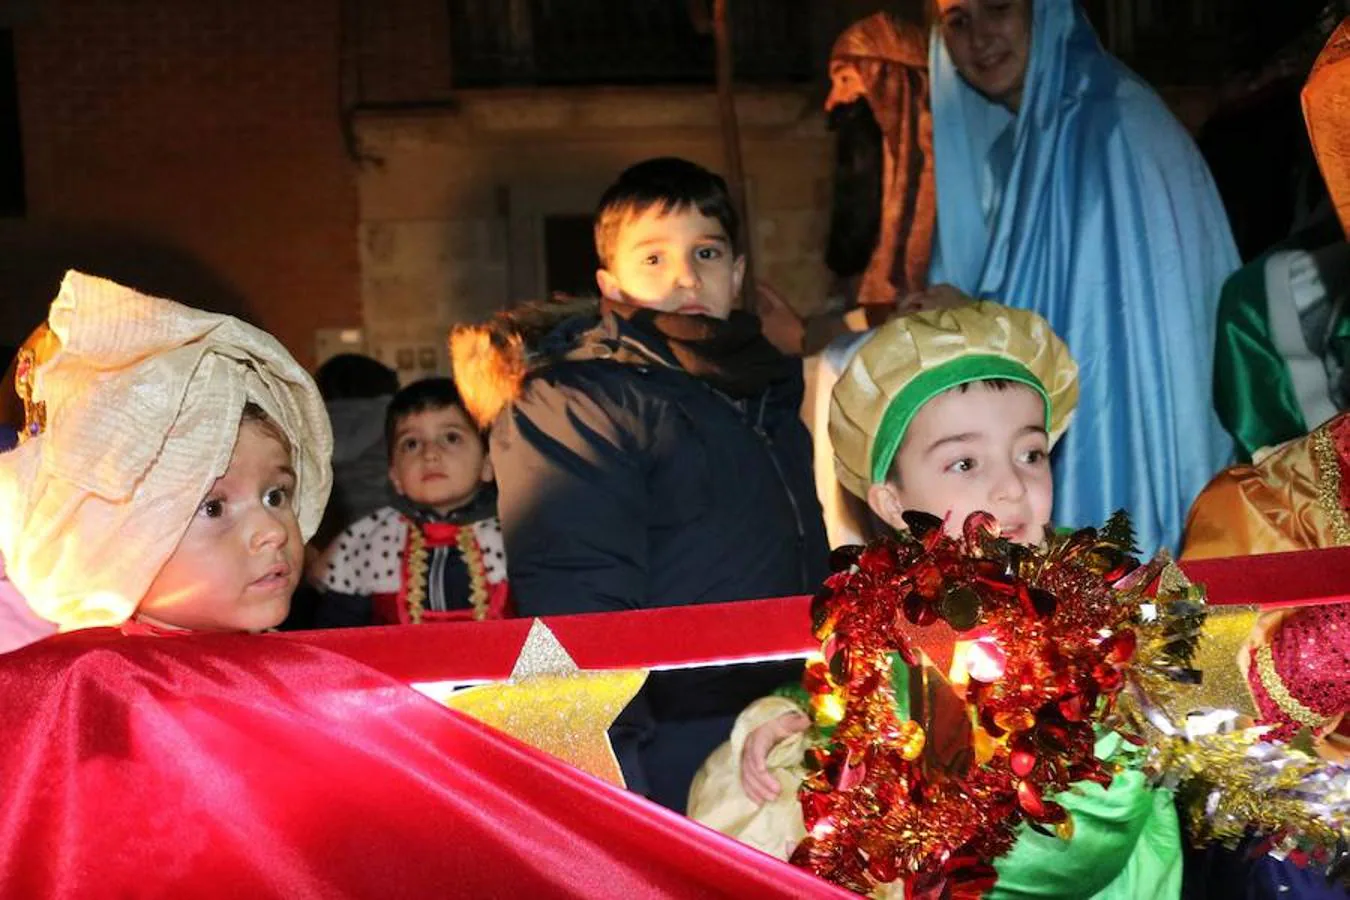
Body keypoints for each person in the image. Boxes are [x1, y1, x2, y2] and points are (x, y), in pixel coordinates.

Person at [690, 302, 1183, 899]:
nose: (1012, 485)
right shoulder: (883, 607)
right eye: (966, 462)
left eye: (1031, 453)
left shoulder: (1094, 615)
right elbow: (855, 693)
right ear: (892, 504)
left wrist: (923, 864)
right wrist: (795, 721)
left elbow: (1090, 832)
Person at [450, 156, 830, 812]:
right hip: (671, 761)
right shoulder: (574, 404)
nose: (687, 275)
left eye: (707, 251)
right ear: (610, 286)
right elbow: (578, 616)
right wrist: (619, 806)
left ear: (737, 274)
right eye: (652, 258)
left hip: (779, 738)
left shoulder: (765, 395)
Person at [926, 0, 1240, 555]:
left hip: (1119, 428)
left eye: (998, 8)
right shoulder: (1020, 144)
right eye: (958, 21)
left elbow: (1094, 337)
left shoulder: (1110, 124)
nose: (979, 38)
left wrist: (971, 315)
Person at [0, 270, 332, 635]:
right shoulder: (104, 685)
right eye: (213, 507)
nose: (273, 531)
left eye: (275, 495)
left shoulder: (273, 657)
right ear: (110, 540)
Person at [309, 377, 509, 627]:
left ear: (488, 465)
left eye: (451, 437)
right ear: (395, 475)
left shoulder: (516, 535)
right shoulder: (368, 540)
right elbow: (336, 633)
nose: (430, 454)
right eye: (411, 443)